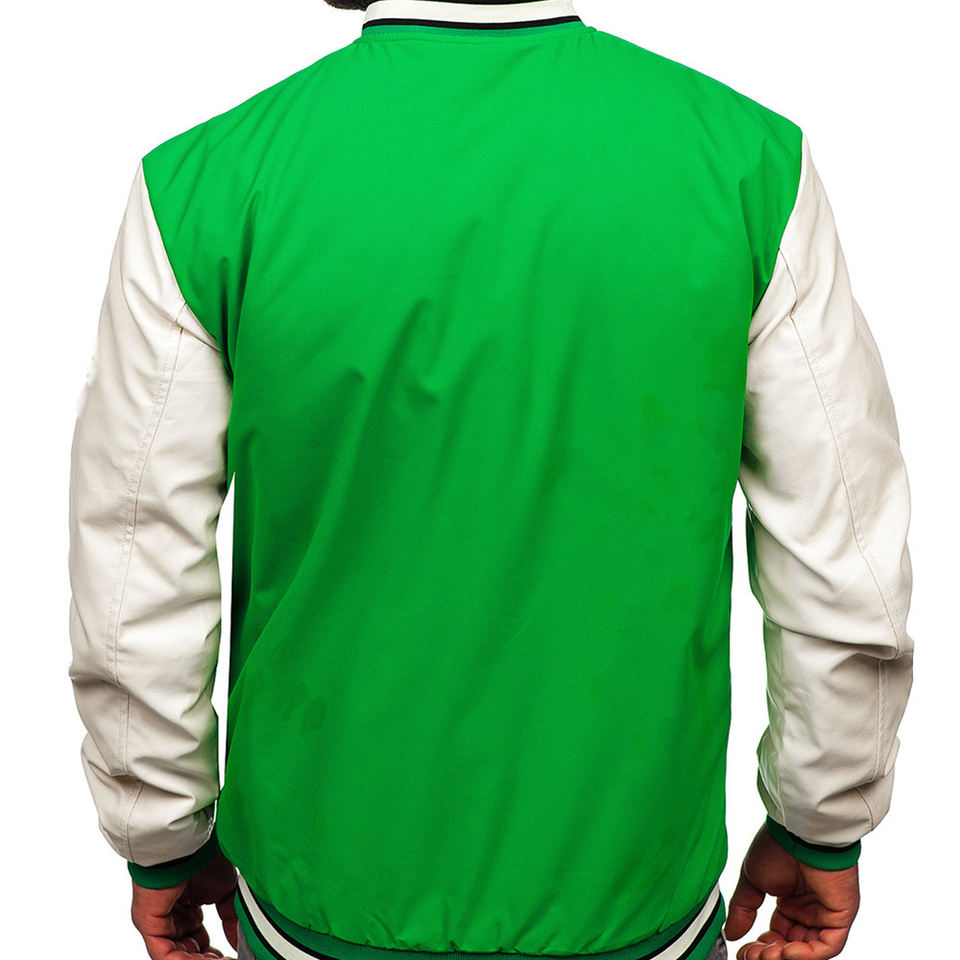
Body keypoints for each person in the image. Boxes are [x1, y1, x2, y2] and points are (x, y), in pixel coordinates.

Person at [66, 2, 915, 959]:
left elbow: (135, 572)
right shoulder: (751, 168)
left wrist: (161, 838)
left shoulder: (205, 187)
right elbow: (844, 560)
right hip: (632, 907)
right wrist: (820, 819)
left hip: (320, 905)